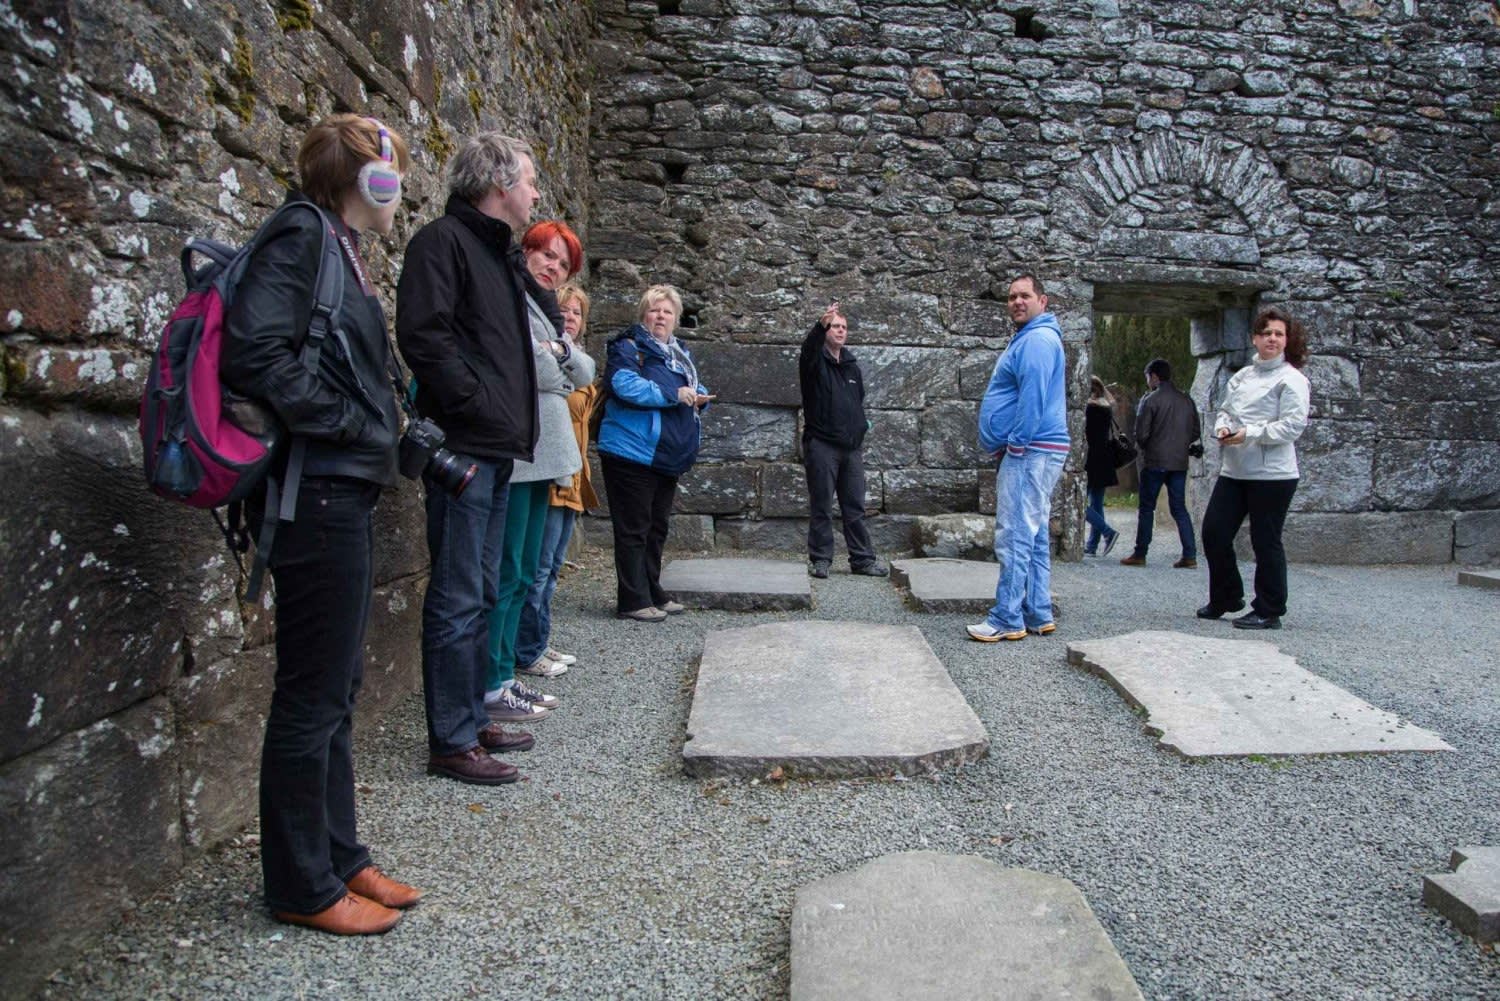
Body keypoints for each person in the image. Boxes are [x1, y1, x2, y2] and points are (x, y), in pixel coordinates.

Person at [221, 115, 419, 934]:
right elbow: (254, 355)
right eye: (393, 173)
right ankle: (302, 885)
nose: (400, 190)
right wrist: (350, 423)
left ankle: (341, 855)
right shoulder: (301, 234)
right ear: (369, 178)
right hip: (316, 493)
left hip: (342, 490)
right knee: (311, 692)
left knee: (338, 684)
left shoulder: (339, 246)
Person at [396, 132, 542, 786]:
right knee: (458, 595)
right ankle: (451, 740)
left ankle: (473, 717)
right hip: (465, 447)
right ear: (499, 182)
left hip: (495, 449)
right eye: (529, 180)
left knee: (481, 589)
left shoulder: (497, 254)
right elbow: (424, 338)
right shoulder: (442, 244)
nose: (535, 193)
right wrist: (478, 405)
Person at [484, 222, 593, 717]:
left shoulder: (545, 311)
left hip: (545, 455)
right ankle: (492, 680)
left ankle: (505, 673)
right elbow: (536, 370)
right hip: (521, 453)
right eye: (547, 255)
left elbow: (584, 372)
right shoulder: (512, 299)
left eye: (563, 264)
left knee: (526, 570)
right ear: (526, 251)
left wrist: (560, 353)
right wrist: (560, 363)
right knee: (509, 571)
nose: (553, 267)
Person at [596, 284, 711, 621]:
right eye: (654, 310)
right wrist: (674, 394)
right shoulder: (628, 347)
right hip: (631, 451)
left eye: (667, 312)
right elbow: (624, 385)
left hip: (664, 455)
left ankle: (652, 590)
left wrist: (698, 395)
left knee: (656, 527)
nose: (661, 316)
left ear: (676, 319)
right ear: (643, 315)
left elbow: (690, 387)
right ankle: (632, 599)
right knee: (634, 528)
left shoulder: (679, 353)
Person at [968, 274, 1070, 643]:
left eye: (1025, 295)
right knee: (1035, 531)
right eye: (1012, 297)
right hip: (1039, 449)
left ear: (1043, 301)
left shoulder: (1038, 340)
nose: (1017, 302)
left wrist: (1016, 444)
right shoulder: (1033, 337)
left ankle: (1007, 617)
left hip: (1031, 450)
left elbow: (1033, 396)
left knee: (1013, 533)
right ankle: (1038, 612)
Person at [1197, 307, 1310, 630]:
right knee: (1214, 532)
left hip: (1273, 475)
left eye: (1278, 334)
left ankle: (1269, 609)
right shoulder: (1243, 377)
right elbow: (1226, 411)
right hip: (1235, 471)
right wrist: (1222, 427)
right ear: (1255, 339)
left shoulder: (1292, 379)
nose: (1272, 338)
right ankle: (1226, 597)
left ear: (1287, 340)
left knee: (1265, 540)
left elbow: (1292, 426)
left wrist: (1250, 433)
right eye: (1266, 333)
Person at [515, 282, 598, 675]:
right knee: (537, 568)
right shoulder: (548, 354)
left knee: (550, 569)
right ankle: (527, 650)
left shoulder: (573, 356)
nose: (570, 317)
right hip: (550, 471)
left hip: (572, 471)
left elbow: (584, 373)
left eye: (577, 312)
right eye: (563, 310)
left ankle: (539, 641)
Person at [798, 301, 888, 580]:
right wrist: (819, 325)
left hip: (851, 448)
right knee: (822, 505)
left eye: (844, 327)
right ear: (826, 331)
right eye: (835, 326)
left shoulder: (851, 367)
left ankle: (862, 560)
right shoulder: (814, 364)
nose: (840, 330)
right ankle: (821, 559)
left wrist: (860, 426)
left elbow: (856, 401)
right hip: (822, 444)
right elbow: (807, 351)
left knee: (855, 507)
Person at [1120, 358, 1202, 569]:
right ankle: (1190, 554)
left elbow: (1141, 434)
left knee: (1147, 508)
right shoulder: (1186, 400)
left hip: (1154, 460)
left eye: (1148, 377)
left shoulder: (1150, 400)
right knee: (1179, 508)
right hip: (1179, 461)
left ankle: (1140, 553)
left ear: (1154, 376)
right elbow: (1195, 431)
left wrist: (1149, 446)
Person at [1083, 375, 1121, 557]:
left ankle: (1107, 532)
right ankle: (1092, 545)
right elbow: (1112, 400)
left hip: (1090, 459)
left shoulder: (1088, 408)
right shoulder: (1106, 407)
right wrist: (1101, 384)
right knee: (1097, 503)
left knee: (1079, 503)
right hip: (1104, 459)